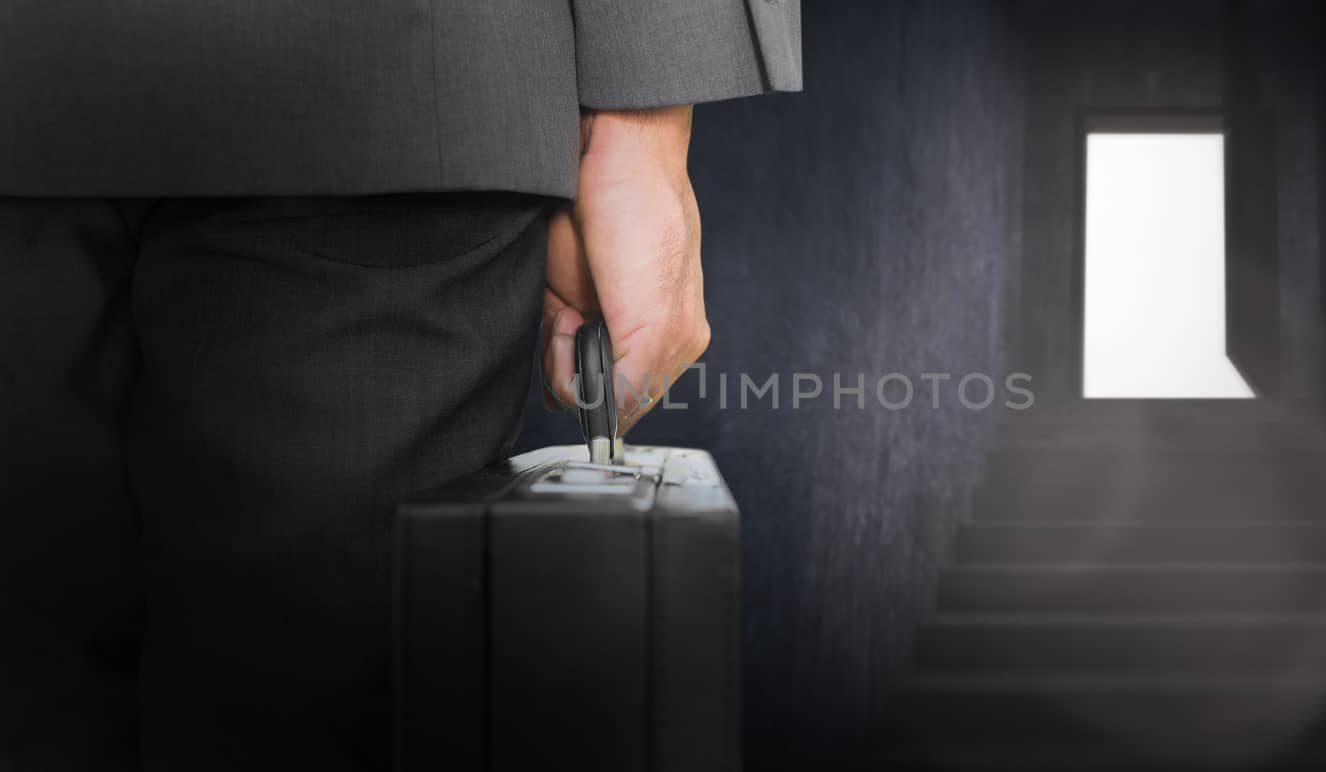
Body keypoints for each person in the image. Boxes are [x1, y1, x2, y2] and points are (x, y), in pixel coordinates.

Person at [0, 2, 801, 770]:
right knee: (310, 721)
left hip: (375, 104)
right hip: (392, 81)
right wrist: (642, 117)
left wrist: (641, 126)